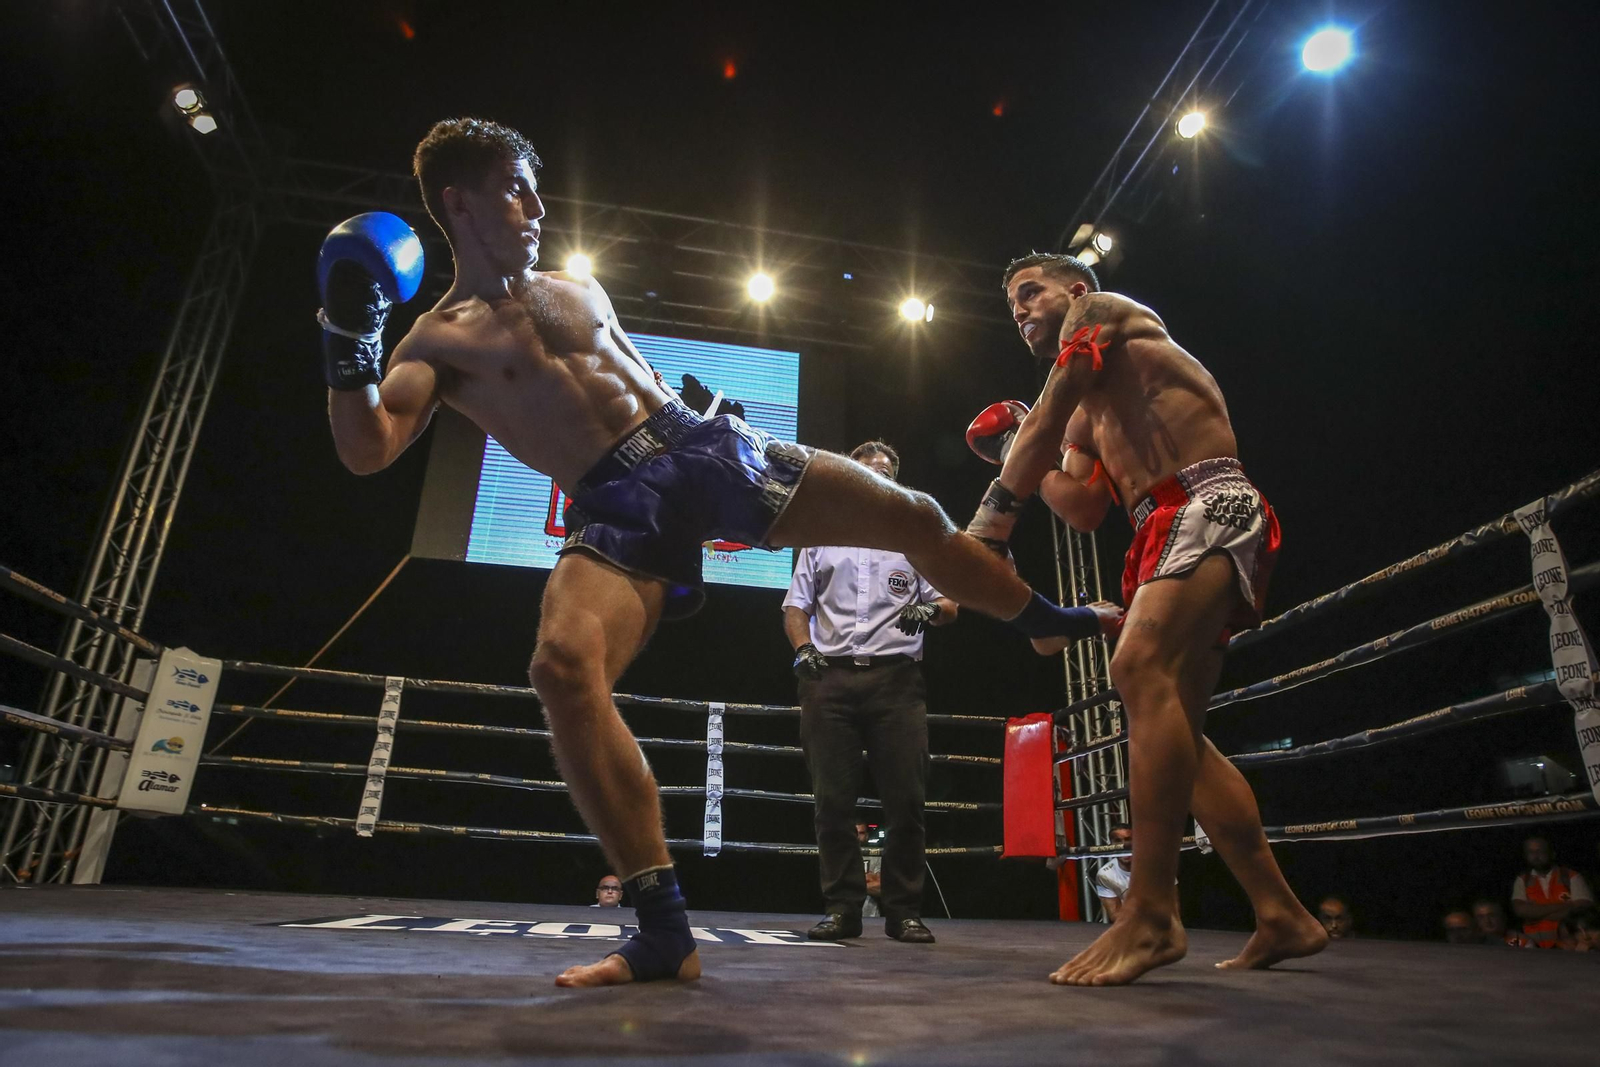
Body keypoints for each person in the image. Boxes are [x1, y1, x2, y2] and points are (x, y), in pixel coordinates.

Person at [318, 121, 1119, 987]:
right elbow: (370, 445)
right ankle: (663, 928)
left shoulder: (574, 283)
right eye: (516, 187)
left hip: (698, 443)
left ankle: (1049, 620)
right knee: (561, 666)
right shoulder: (438, 340)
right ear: (458, 202)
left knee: (918, 515)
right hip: (616, 499)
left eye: (536, 186)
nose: (537, 204)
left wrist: (694, 404)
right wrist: (345, 332)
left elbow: (629, 377)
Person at [963, 251, 1326, 985]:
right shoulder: (1089, 412)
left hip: (1207, 500)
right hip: (1155, 526)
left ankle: (1151, 911)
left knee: (1136, 667)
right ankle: (1282, 912)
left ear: (1076, 289)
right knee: (1177, 735)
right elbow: (1082, 504)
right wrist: (1014, 445)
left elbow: (1050, 417)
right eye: (1012, 306)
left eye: (1030, 293)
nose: (1022, 311)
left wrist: (986, 525)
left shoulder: (1107, 317)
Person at [782, 441, 953, 945]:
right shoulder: (821, 536)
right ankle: (842, 909)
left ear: (895, 479)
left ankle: (903, 911)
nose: (877, 476)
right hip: (828, 679)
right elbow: (796, 607)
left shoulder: (915, 536)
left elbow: (949, 602)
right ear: (852, 476)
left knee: (906, 800)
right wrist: (802, 647)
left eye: (885, 470)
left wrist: (932, 612)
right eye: (868, 469)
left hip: (896, 683)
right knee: (831, 800)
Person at [1510, 834, 1594, 948]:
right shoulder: (1522, 880)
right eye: (1531, 852)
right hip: (1535, 949)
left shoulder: (1570, 876)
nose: (1535, 856)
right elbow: (1520, 910)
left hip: (1569, 948)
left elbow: (1584, 905)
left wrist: (1535, 913)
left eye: (1540, 851)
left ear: (1552, 853)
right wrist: (1567, 906)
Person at [857, 820, 884, 919]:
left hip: (871, 917)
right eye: (854, 832)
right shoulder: (840, 857)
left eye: (861, 833)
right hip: (845, 916)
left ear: (867, 835)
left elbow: (882, 887)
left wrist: (850, 882)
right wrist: (868, 879)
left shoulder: (876, 856)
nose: (857, 836)